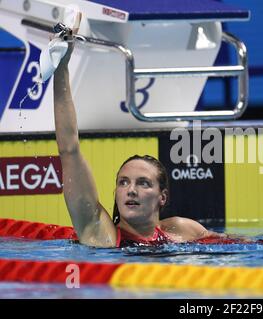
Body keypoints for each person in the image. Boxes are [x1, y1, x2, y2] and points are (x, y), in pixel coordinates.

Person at [53, 14, 222, 248]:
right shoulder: (102, 234)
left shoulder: (183, 230)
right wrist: (61, 66)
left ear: (162, 197)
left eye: (143, 183)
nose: (130, 190)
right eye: (123, 183)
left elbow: (241, 246)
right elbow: (69, 149)